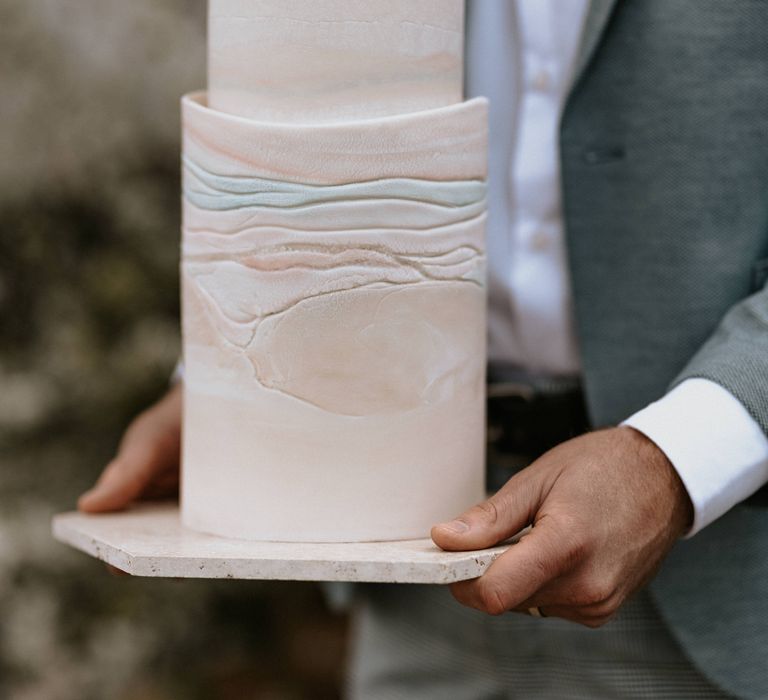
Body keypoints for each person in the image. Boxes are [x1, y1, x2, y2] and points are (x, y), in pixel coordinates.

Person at [80, 1, 768, 697]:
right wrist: (222, 382)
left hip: (712, 584)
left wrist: (678, 458)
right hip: (404, 569)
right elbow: (304, 151)